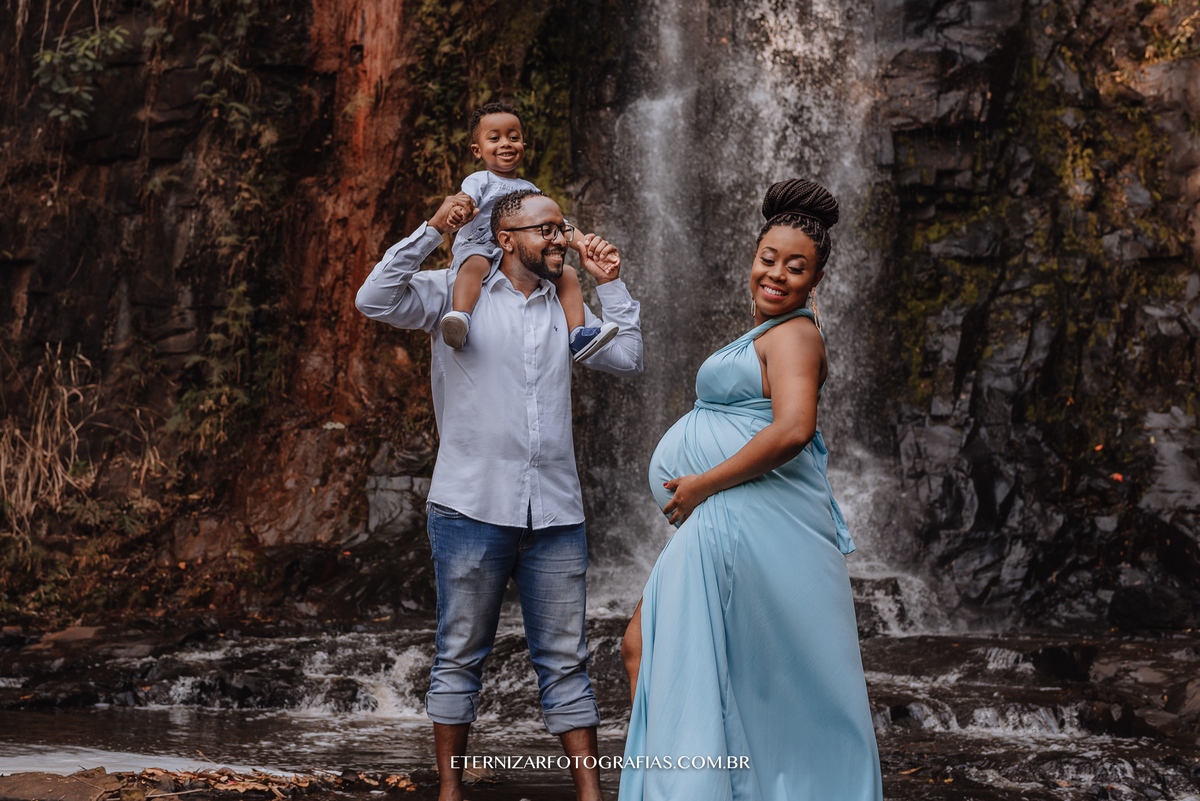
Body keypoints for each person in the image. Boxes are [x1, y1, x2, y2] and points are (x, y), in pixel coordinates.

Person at [355, 187, 643, 801]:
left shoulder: (567, 303)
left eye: (562, 226)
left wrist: (611, 285)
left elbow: (627, 358)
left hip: (556, 512)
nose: (560, 238)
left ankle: (591, 796)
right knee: (460, 654)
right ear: (506, 239)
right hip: (470, 507)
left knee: (565, 660)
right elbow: (372, 298)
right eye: (546, 229)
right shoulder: (453, 293)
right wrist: (433, 229)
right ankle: (450, 793)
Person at [618, 179, 883, 801]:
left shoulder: (795, 334)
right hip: (736, 514)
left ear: (817, 279)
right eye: (769, 258)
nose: (777, 274)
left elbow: (793, 429)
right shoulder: (773, 333)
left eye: (797, 267)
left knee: (647, 646)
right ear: (753, 256)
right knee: (670, 653)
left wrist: (701, 485)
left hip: (742, 513)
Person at [439, 101, 618, 362]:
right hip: (481, 246)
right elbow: (465, 201)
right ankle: (460, 317)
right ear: (477, 150)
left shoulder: (530, 190)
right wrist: (459, 211)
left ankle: (577, 335)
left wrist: (586, 245)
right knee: (475, 265)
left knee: (567, 274)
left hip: (518, 256)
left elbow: (558, 225)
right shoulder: (479, 180)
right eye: (495, 138)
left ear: (524, 144)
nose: (506, 143)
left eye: (513, 137)